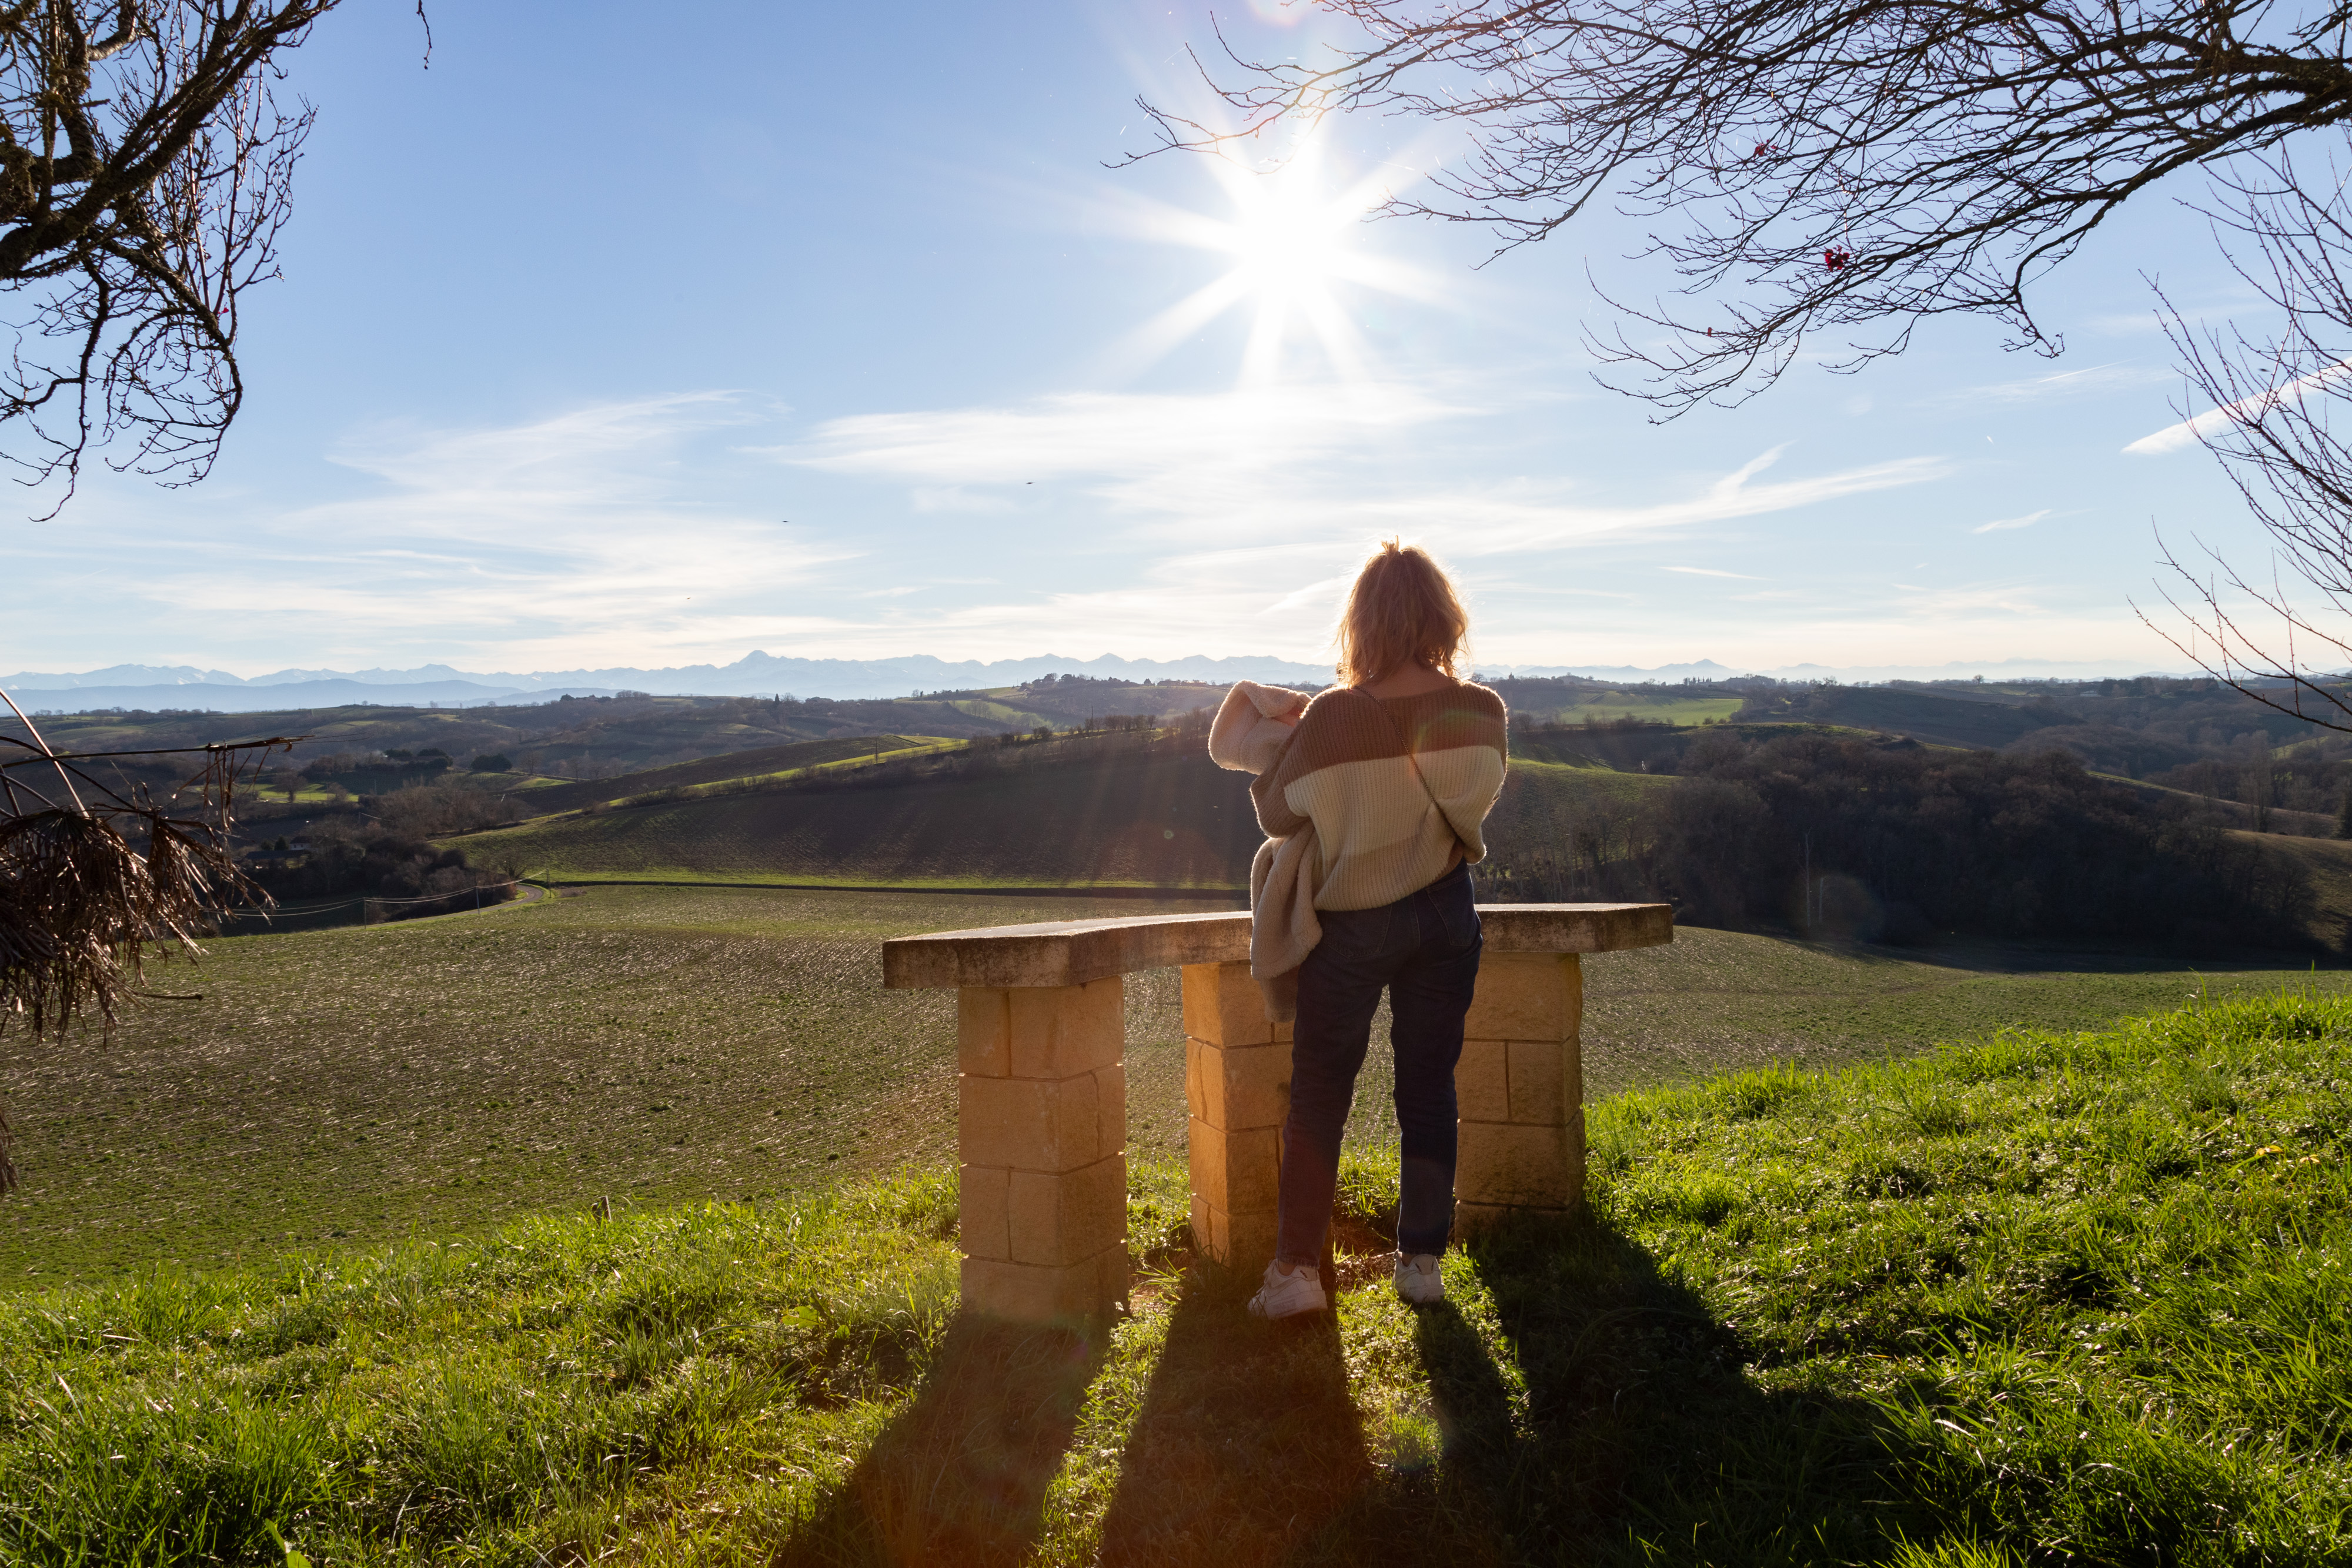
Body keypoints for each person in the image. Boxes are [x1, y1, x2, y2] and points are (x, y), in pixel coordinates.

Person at [1208, 540, 1508, 1318]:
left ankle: (1297, 1275)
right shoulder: (1482, 712)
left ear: (1361, 622)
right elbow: (1468, 809)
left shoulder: (1337, 716)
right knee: (1428, 1089)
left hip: (1352, 921)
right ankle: (1422, 1262)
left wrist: (1307, 738)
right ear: (1444, 616)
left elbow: (1280, 813)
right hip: (1446, 911)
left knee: (1319, 1094)